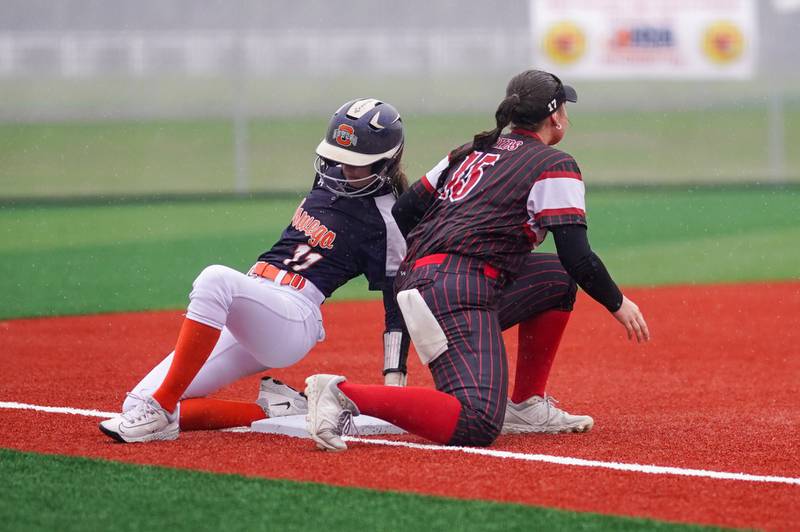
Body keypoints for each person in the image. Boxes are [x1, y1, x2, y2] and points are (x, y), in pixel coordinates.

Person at [304, 69, 650, 451]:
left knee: (557, 279)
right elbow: (578, 255)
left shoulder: (471, 149)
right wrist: (619, 304)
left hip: (431, 280)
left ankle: (527, 407)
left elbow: (405, 209)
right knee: (477, 421)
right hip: (459, 288)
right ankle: (341, 393)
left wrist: (436, 254)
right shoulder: (554, 163)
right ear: (555, 116)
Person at [99, 98, 412, 443]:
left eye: (356, 163)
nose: (342, 167)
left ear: (387, 162)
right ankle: (276, 411)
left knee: (214, 279)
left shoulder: (387, 218)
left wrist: (394, 383)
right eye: (337, 156)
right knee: (135, 402)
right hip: (254, 305)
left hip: (293, 316)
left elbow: (395, 303)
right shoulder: (328, 179)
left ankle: (161, 408)